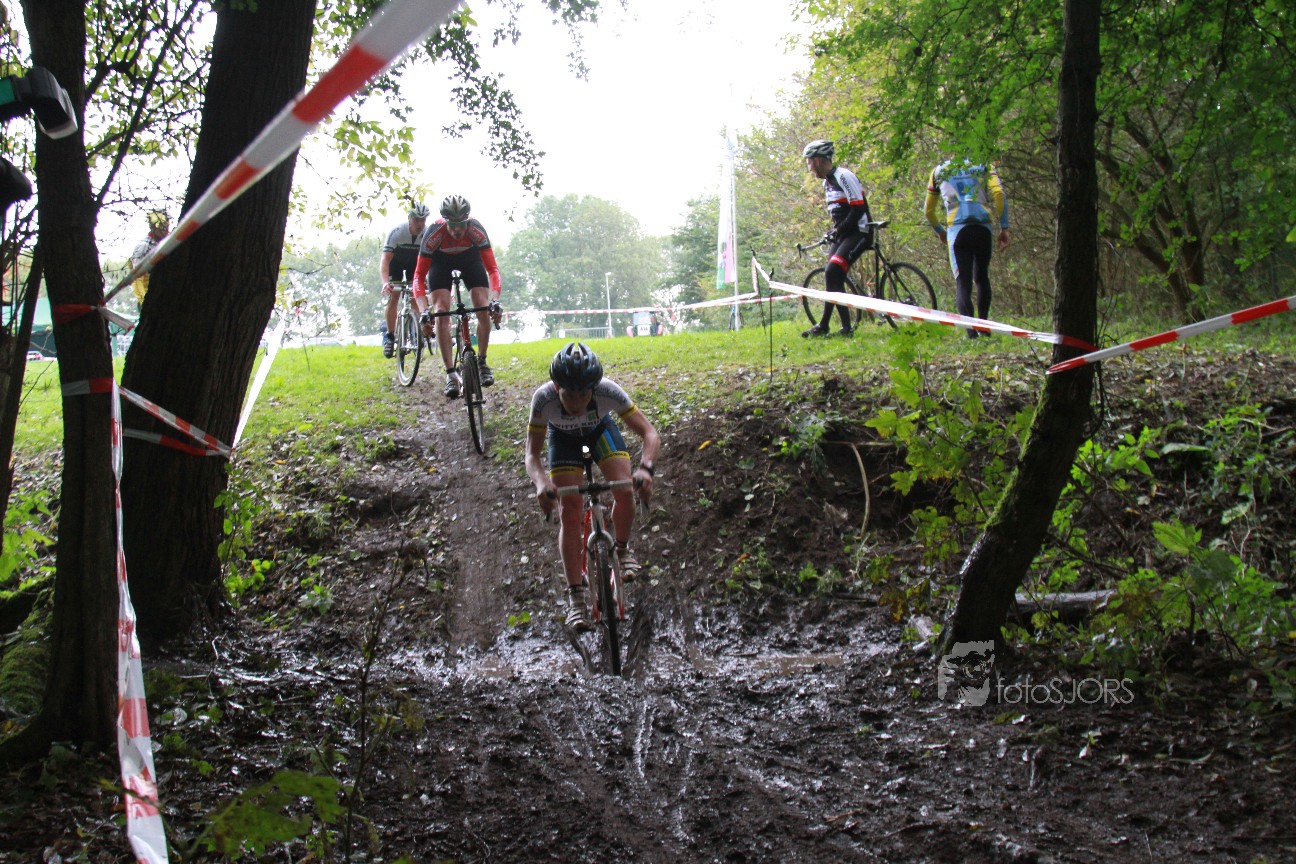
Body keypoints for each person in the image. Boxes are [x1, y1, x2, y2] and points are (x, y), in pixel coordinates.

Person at [525, 342, 661, 631]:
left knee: (624, 489)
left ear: (594, 389)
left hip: (600, 431)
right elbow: (531, 455)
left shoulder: (608, 391)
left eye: (583, 395)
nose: (575, 403)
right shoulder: (543, 399)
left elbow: (650, 433)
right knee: (570, 511)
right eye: (568, 395)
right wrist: (541, 482)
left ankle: (622, 549)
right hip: (563, 440)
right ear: (556, 387)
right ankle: (576, 597)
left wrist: (646, 468)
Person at [411, 195, 503, 397]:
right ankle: (451, 374)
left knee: (482, 306)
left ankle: (482, 362)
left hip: (471, 260)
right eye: (452, 225)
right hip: (441, 263)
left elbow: (492, 269)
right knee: (441, 310)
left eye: (461, 224)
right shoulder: (434, 233)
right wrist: (424, 311)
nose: (456, 230)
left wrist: (495, 301)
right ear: (445, 221)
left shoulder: (476, 230)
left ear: (467, 220)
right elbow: (418, 276)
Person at [924, 157, 1011, 338]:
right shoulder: (984, 164)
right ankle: (984, 329)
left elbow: (928, 211)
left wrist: (940, 231)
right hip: (982, 227)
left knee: (962, 281)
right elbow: (998, 194)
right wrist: (1004, 227)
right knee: (982, 277)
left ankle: (972, 335)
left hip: (957, 229)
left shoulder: (939, 171)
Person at [801, 139, 872, 338]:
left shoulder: (843, 176)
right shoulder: (827, 182)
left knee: (833, 270)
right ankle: (831, 326)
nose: (809, 168)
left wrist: (838, 229)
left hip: (860, 232)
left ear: (817, 161)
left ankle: (840, 327)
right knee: (831, 275)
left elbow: (859, 208)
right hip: (844, 234)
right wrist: (834, 231)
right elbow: (840, 213)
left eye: (809, 163)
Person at [378, 202, 430, 358]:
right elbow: (385, 260)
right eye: (416, 219)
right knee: (393, 297)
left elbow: (431, 261)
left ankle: (415, 332)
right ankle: (390, 336)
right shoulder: (397, 232)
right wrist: (385, 282)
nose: (420, 224)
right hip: (396, 264)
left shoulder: (427, 234)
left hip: (415, 265)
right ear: (409, 218)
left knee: (416, 296)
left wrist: (427, 280)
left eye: (423, 220)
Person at [129, 210, 169, 307]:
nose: (166, 231)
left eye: (167, 227)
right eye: (162, 227)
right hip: (148, 297)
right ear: (154, 227)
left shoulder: (163, 244)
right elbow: (138, 275)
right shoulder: (145, 247)